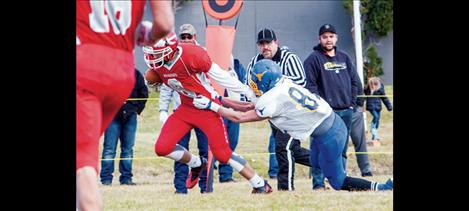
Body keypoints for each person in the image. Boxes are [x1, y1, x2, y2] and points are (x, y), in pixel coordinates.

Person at [192, 59, 393, 192]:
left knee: (338, 182)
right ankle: (335, 169)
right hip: (331, 125)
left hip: (329, 136)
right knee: (306, 158)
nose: (252, 83)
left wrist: (212, 105)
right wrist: (219, 99)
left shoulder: (270, 99)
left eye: (256, 80)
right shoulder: (282, 84)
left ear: (266, 81)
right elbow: (248, 105)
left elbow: (239, 117)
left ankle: (382, 187)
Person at [142, 32, 273, 194]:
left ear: (170, 49)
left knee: (223, 154)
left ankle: (260, 184)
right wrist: (162, 105)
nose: (152, 56)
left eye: (156, 52)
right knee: (162, 148)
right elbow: (170, 82)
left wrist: (248, 93)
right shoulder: (159, 66)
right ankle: (197, 163)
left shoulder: (192, 54)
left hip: (207, 107)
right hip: (185, 108)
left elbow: (222, 77)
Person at [76, 1, 173, 210]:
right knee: (85, 158)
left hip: (85, 66)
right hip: (122, 71)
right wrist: (144, 34)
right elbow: (164, 24)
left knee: (84, 164)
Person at [246, 28, 310, 190]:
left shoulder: (289, 58)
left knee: (283, 148)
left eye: (268, 42)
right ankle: (327, 161)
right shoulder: (255, 62)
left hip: (292, 113)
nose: (265, 47)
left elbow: (301, 81)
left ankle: (285, 188)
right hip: (273, 115)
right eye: (261, 43)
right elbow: (248, 84)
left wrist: (275, 81)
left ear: (276, 42)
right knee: (292, 150)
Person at [303, 23, 360, 189]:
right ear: (319, 39)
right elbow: (310, 86)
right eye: (324, 37)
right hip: (325, 114)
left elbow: (355, 81)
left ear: (336, 38)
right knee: (319, 150)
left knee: (341, 149)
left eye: (331, 36)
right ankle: (318, 184)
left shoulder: (344, 57)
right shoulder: (313, 59)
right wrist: (320, 108)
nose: (328, 40)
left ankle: (340, 181)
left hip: (345, 111)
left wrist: (352, 103)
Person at [100, 69, 148, 186]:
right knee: (109, 149)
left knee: (127, 149)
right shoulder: (108, 74)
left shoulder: (136, 74)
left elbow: (143, 93)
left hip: (130, 116)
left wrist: (137, 110)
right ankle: (106, 179)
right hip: (112, 116)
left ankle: (126, 178)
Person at [159, 83, 210, 194]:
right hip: (181, 113)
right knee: (180, 151)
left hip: (203, 111)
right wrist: (163, 110)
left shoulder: (204, 67)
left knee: (205, 151)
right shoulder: (172, 67)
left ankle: (206, 187)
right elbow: (166, 87)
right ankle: (180, 187)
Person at [350, 79, 373, 177]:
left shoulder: (347, 64)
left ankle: (366, 170)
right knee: (338, 145)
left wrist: (359, 103)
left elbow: (357, 84)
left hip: (354, 110)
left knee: (360, 142)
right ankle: (338, 173)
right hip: (333, 111)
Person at [364, 77, 392, 147]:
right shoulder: (367, 89)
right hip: (371, 107)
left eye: (376, 84)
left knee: (377, 121)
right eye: (373, 83)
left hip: (378, 107)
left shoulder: (380, 89)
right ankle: (374, 132)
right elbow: (362, 93)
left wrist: (389, 107)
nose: (374, 85)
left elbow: (384, 98)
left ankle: (374, 134)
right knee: (375, 117)